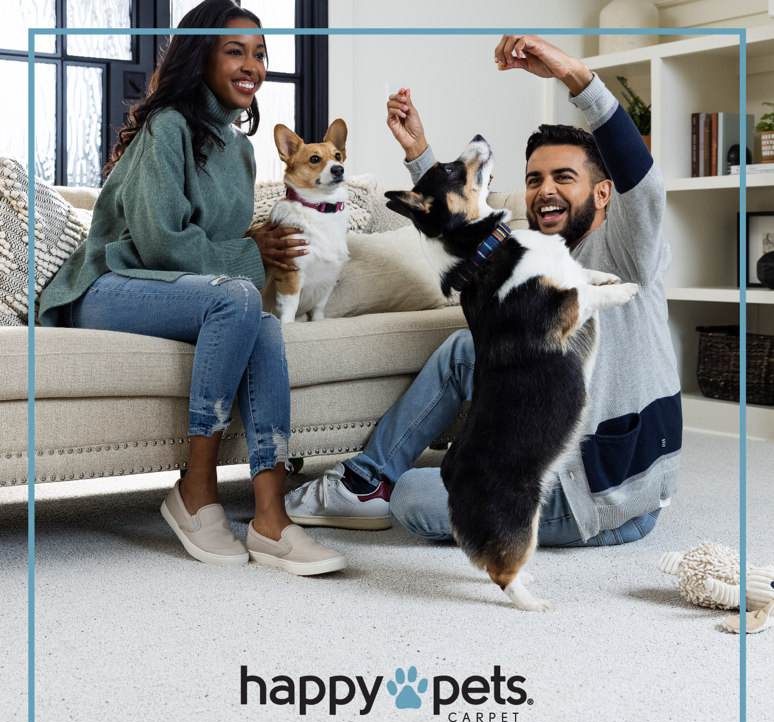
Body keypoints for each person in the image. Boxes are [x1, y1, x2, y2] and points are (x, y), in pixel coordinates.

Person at [285, 34, 682, 547]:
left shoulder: (629, 249)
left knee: (413, 497)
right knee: (465, 350)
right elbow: (459, 229)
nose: (545, 190)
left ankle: (571, 520)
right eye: (535, 179)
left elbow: (646, 187)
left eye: (564, 177)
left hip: (595, 487)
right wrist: (417, 151)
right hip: (574, 453)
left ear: (603, 193)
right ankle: (365, 481)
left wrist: (576, 78)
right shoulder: (541, 253)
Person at [37, 0, 346, 574]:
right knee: (239, 297)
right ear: (198, 56)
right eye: (236, 50)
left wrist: (247, 250)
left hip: (177, 291)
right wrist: (250, 252)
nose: (252, 64)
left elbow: (216, 258)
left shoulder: (243, 150)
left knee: (263, 322)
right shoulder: (168, 126)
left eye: (260, 54)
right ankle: (196, 490)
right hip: (109, 285)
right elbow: (160, 245)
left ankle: (270, 516)